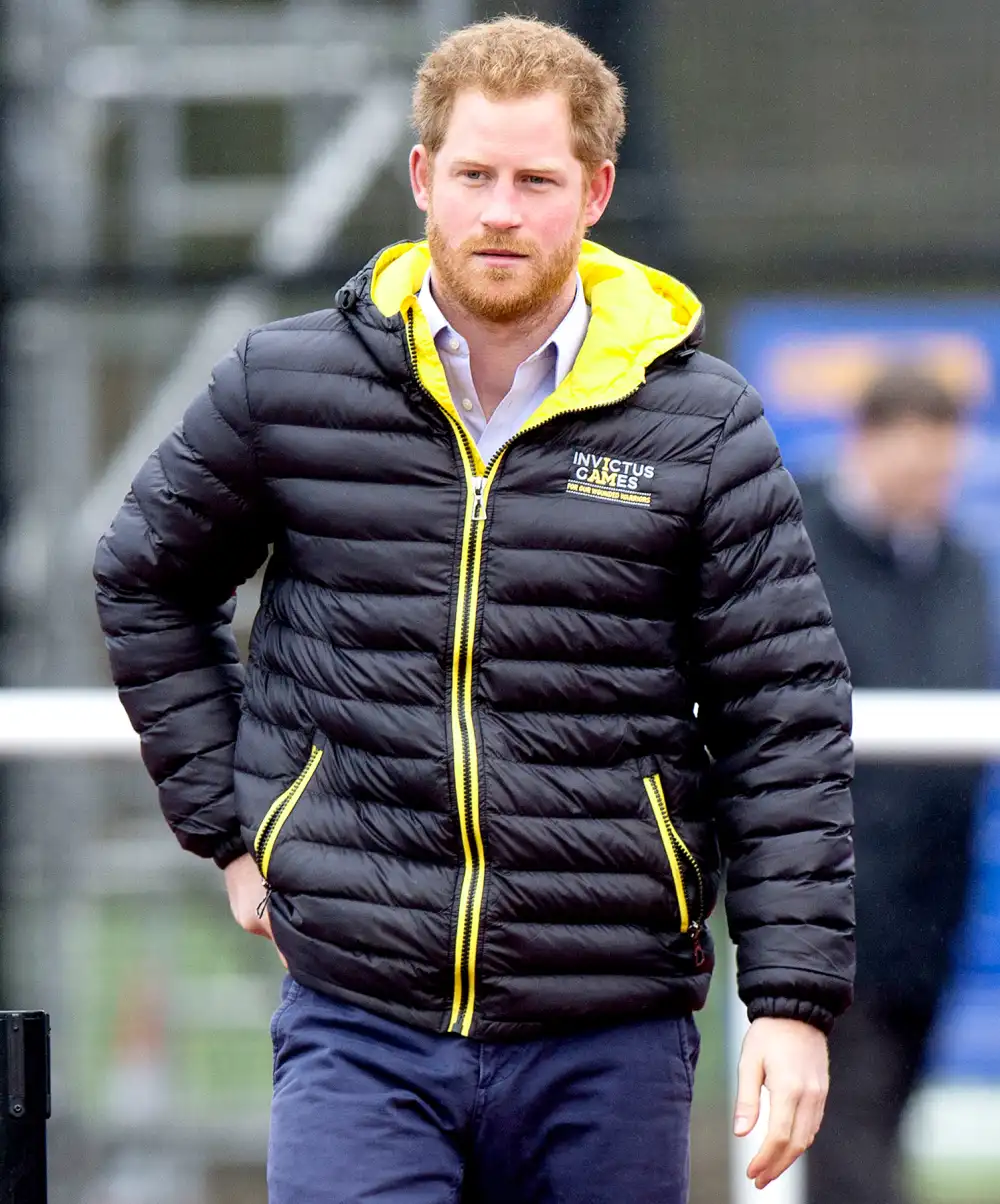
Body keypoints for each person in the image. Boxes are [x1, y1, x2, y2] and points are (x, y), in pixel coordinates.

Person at [94, 16, 854, 1204]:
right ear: (422, 178)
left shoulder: (705, 428)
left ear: (594, 192)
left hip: (611, 1029)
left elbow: (784, 714)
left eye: (536, 181)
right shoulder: (285, 384)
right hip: (359, 1016)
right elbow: (145, 576)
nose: (500, 211)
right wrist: (232, 831)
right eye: (473, 175)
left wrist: (791, 1002)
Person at [798, 369, 991, 1204]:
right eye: (917, 465)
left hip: (931, 911)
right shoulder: (795, 546)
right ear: (867, 443)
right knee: (846, 1144)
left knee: (880, 1121)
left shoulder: (959, 566)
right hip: (824, 904)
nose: (930, 486)